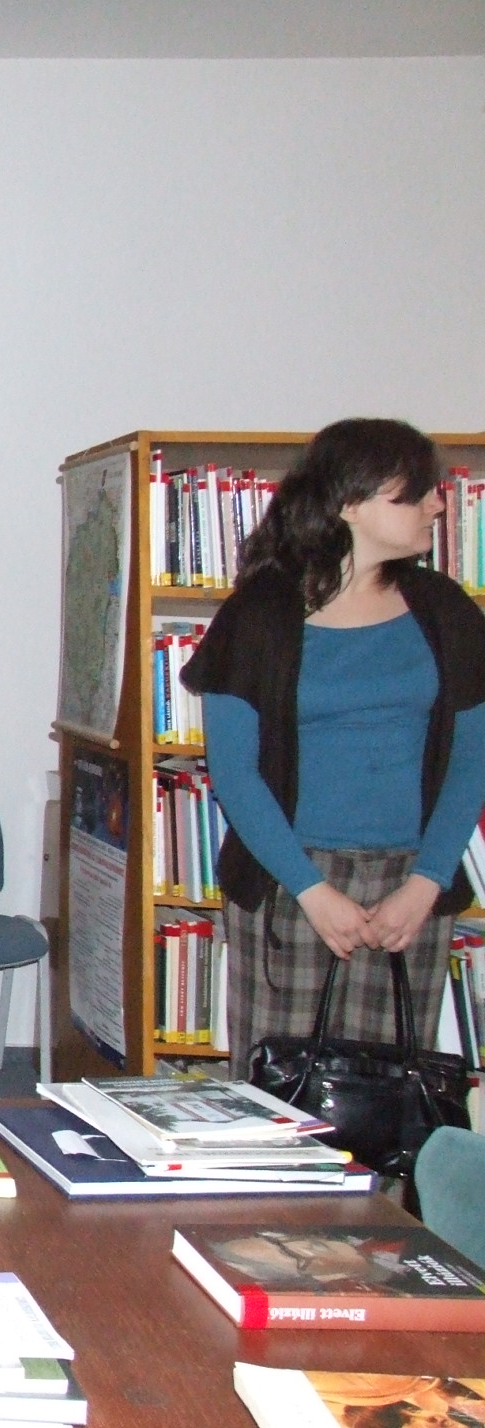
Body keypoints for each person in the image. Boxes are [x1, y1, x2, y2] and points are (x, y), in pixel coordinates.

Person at [182, 419, 485, 1073]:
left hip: (413, 883)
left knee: (390, 1096)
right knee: (278, 1097)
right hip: (290, 881)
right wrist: (313, 891)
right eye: (417, 493)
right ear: (351, 502)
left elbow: (472, 759)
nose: (438, 505)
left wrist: (426, 883)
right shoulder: (260, 614)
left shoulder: (444, 608)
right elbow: (235, 773)